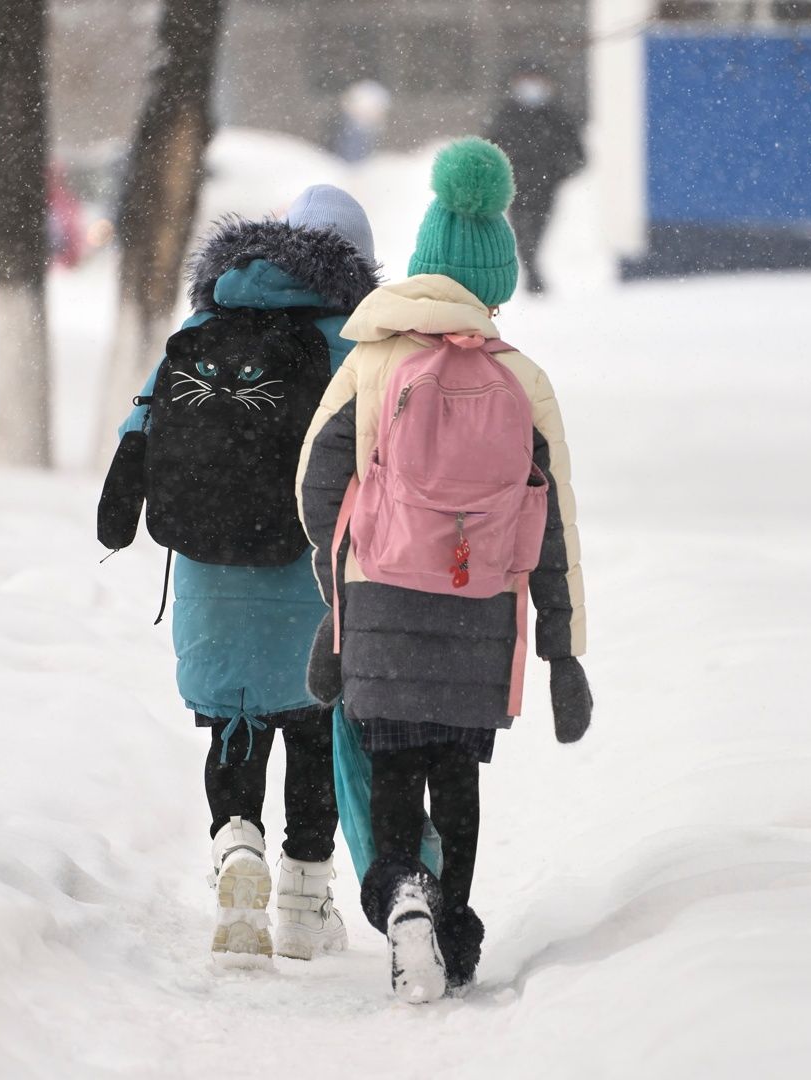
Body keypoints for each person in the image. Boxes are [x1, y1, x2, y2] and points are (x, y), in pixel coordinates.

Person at [296, 139, 592, 1001]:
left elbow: (316, 481)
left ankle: (401, 900)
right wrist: (562, 648)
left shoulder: (370, 361)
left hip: (382, 601)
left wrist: (341, 585)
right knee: (455, 776)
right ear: (495, 279)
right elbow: (556, 525)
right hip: (481, 612)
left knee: (392, 773)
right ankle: (453, 930)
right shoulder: (520, 378)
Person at [101, 186, 381, 962]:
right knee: (314, 725)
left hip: (211, 566)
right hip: (312, 570)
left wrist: (117, 513)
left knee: (235, 719)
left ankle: (236, 849)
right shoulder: (354, 343)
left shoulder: (205, 324)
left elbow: (141, 426)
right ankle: (301, 899)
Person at [483, 66, 584, 295]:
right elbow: (488, 147)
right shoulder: (505, 114)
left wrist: (560, 172)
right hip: (514, 185)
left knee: (538, 228)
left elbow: (577, 154)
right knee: (521, 230)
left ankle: (532, 270)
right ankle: (532, 272)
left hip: (547, 186)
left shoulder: (558, 115)